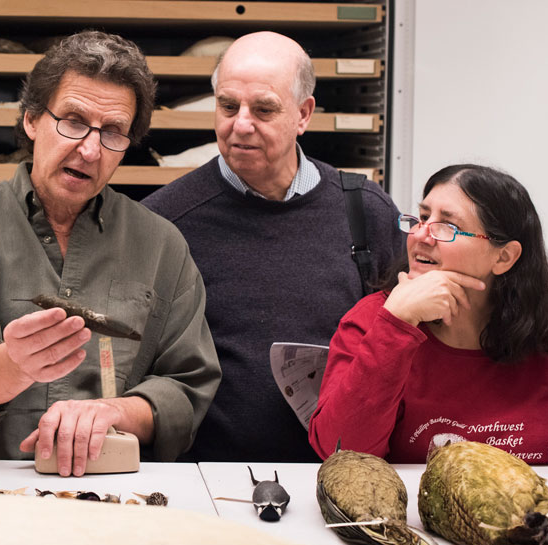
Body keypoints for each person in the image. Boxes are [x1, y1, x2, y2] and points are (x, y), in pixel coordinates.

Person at [0, 30, 221, 476]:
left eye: (113, 132)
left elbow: (188, 388)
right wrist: (12, 364)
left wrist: (116, 411)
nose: (90, 149)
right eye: (73, 121)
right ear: (32, 119)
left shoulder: (161, 245)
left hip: (115, 488)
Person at [142, 32, 405, 461]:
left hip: (340, 473)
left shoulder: (366, 212)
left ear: (303, 115)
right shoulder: (166, 221)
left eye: (263, 109)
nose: (240, 124)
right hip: (206, 481)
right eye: (228, 106)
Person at [309, 164, 548, 464]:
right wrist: (396, 324)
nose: (421, 235)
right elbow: (340, 454)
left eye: (447, 226)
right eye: (422, 218)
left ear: (504, 257)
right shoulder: (372, 321)